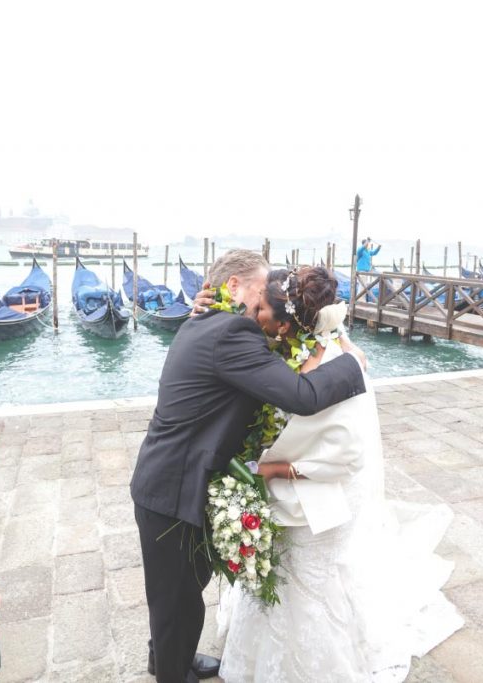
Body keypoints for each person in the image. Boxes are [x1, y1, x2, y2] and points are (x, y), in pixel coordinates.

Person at [131, 250, 368, 683]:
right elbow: (300, 395)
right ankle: (169, 670)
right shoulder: (231, 331)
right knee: (173, 599)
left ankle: (171, 657)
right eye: (261, 295)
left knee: (187, 587)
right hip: (170, 486)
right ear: (234, 286)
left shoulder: (206, 320)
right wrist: (352, 364)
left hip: (186, 478)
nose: (266, 306)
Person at [217, 267, 463, 682]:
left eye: (261, 309)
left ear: (286, 320)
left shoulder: (339, 366)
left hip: (321, 490)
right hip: (285, 491)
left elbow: (347, 455)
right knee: (279, 576)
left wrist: (276, 468)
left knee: (309, 586)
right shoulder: (285, 351)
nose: (253, 314)